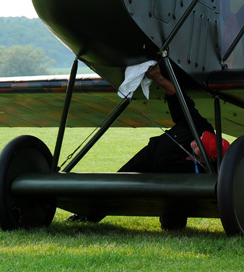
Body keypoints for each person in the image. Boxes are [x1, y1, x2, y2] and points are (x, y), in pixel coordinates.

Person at [67, 64, 226, 223]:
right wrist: (159, 78)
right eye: (199, 139)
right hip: (150, 157)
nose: (195, 143)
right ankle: (86, 217)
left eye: (200, 147)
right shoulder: (199, 125)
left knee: (171, 225)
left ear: (209, 159)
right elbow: (179, 98)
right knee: (116, 184)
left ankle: (173, 220)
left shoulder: (211, 171)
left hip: (173, 181)